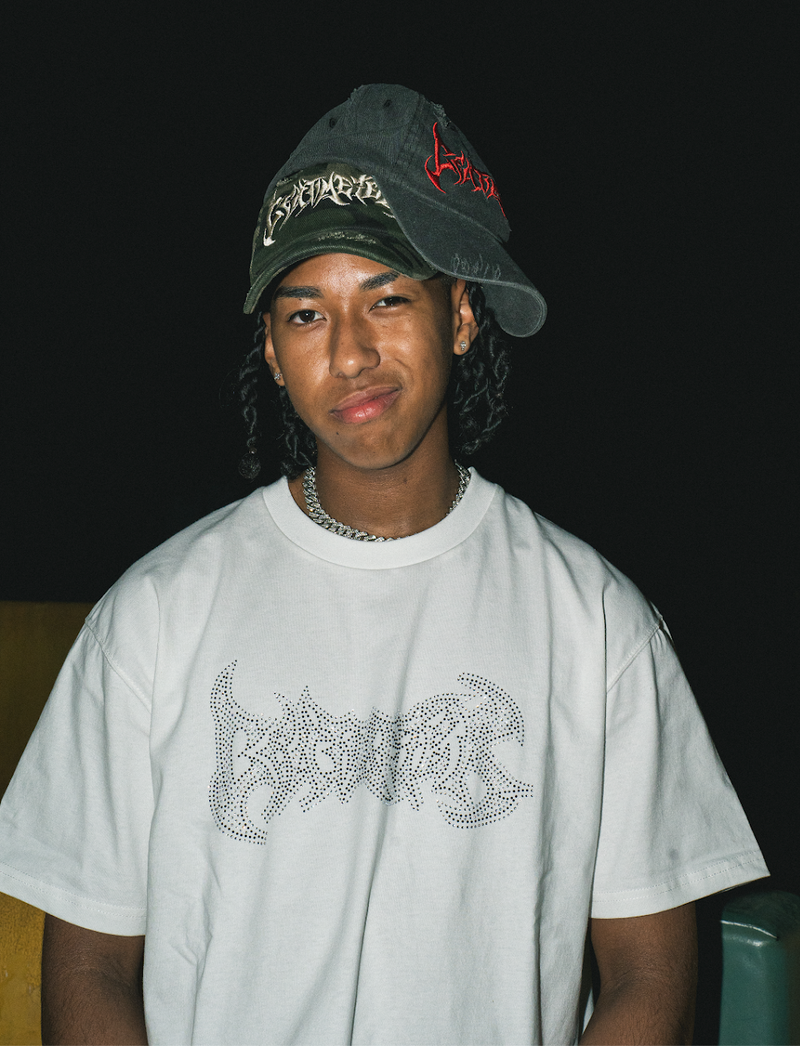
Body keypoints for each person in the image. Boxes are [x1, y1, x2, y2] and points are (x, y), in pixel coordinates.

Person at [0, 84, 768, 1046]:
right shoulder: (153, 616)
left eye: (388, 298)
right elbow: (89, 967)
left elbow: (649, 978)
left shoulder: (595, 621)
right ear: (272, 352)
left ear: (462, 315)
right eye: (306, 314)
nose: (351, 353)